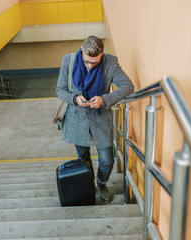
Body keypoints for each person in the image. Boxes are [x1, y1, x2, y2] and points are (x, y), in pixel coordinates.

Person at [56, 35, 134, 203]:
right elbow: (60, 90)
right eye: (86, 62)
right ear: (82, 51)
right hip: (77, 118)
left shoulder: (110, 62)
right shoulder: (68, 61)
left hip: (100, 118)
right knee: (83, 157)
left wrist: (104, 99)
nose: (90, 66)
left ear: (102, 54)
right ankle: (87, 184)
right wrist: (75, 98)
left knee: (107, 160)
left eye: (95, 63)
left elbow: (128, 86)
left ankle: (101, 183)